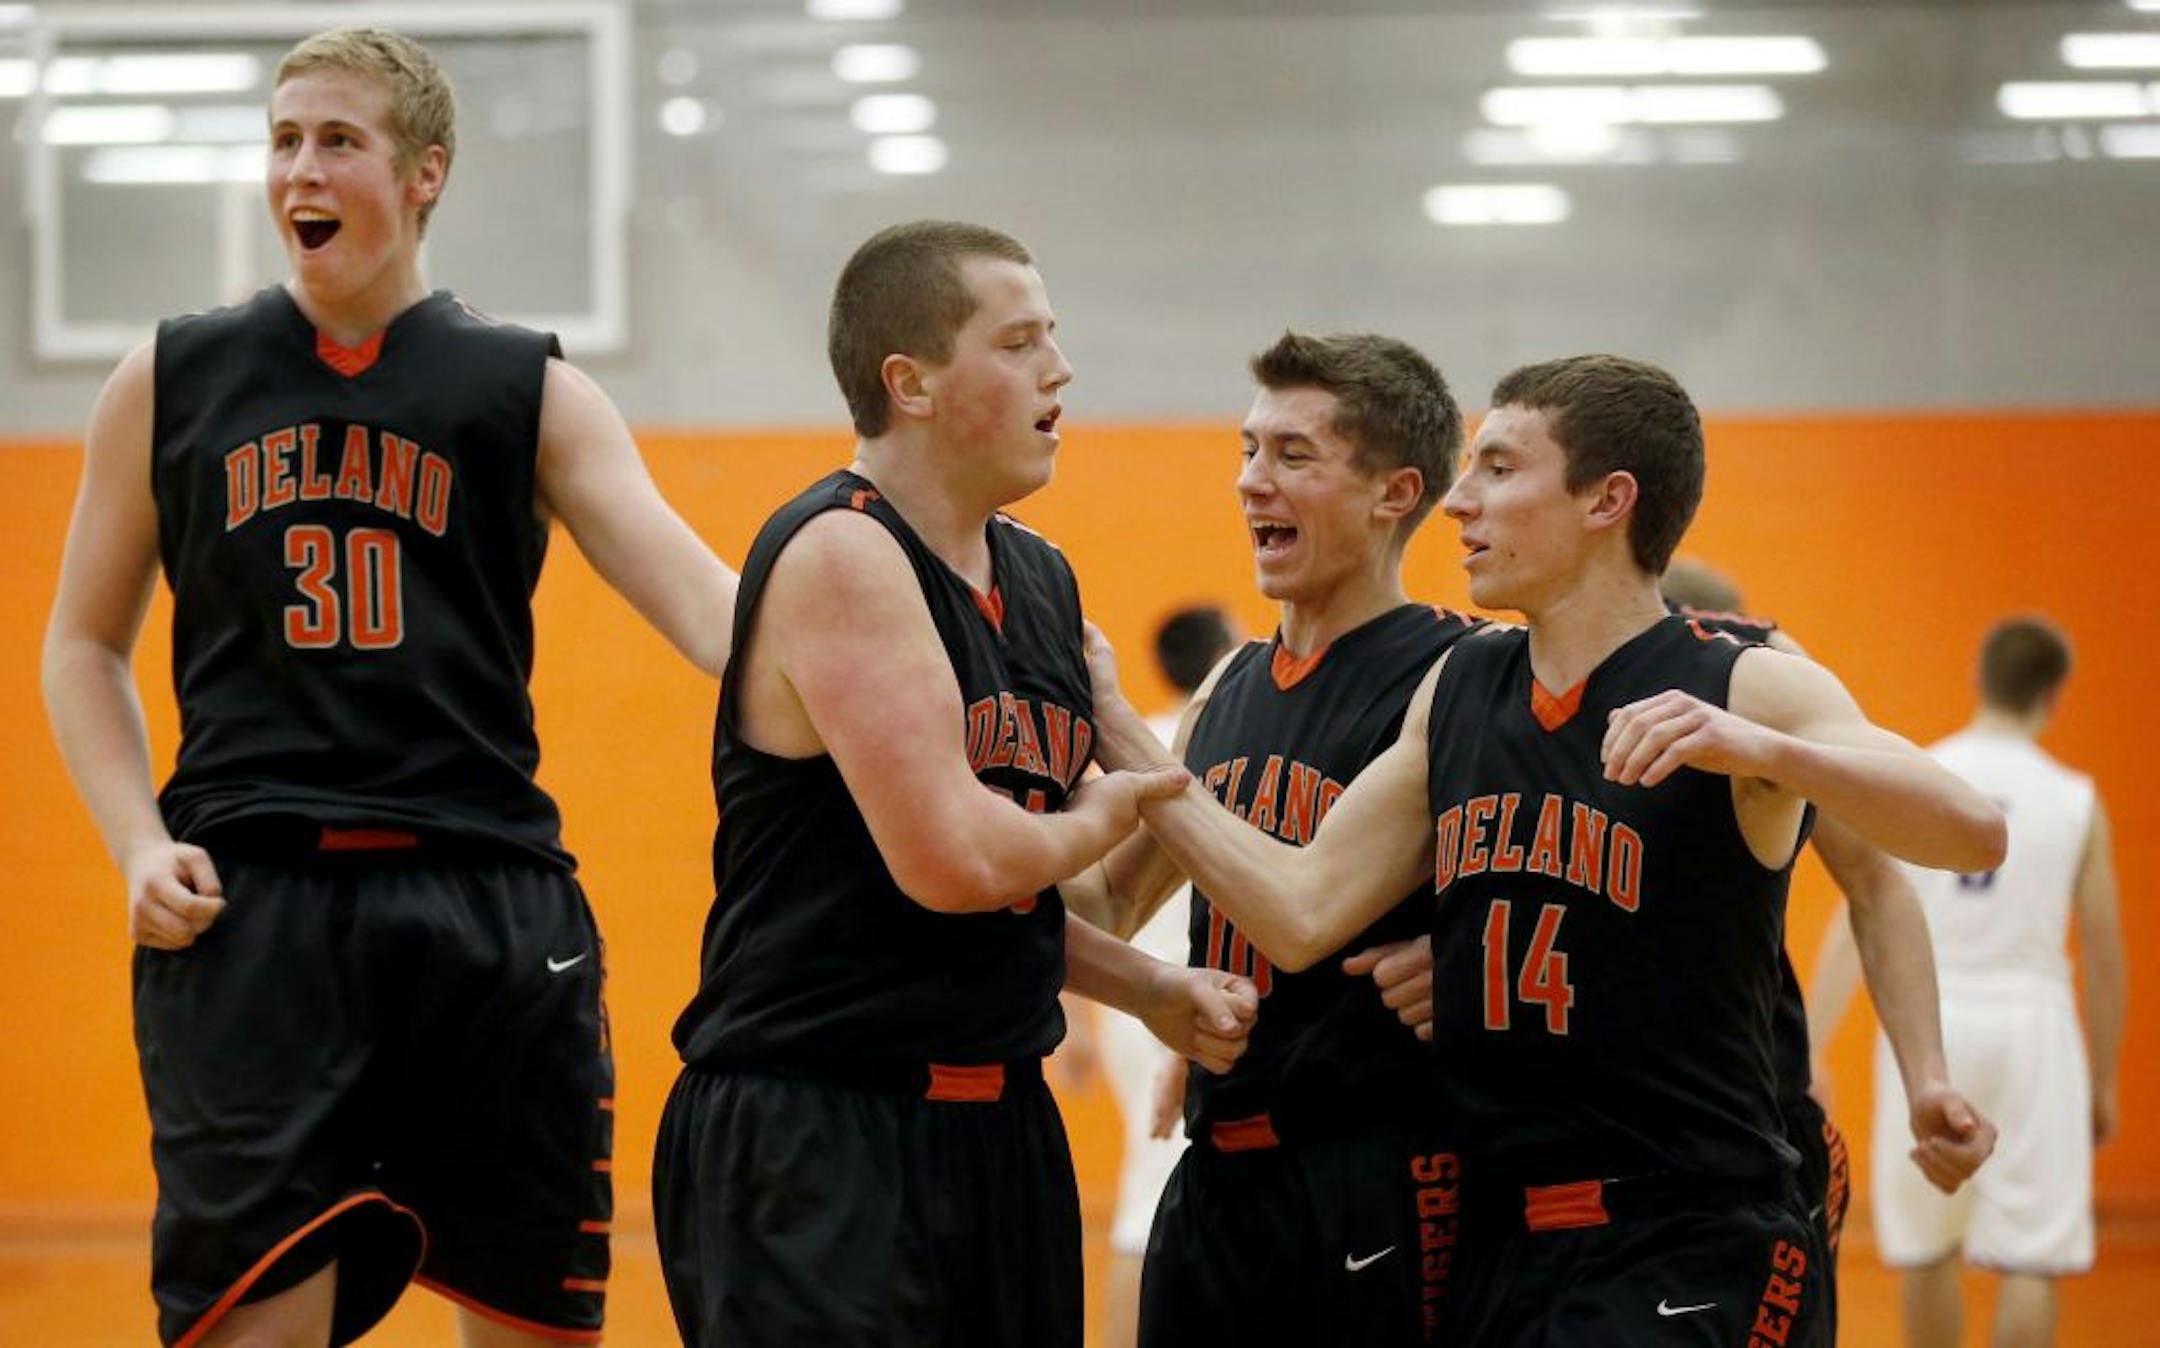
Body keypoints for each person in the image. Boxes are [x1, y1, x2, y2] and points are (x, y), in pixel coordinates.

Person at [39, 27, 741, 1347]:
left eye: (338, 140)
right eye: (285, 140)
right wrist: (136, 842)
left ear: (424, 174)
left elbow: (712, 613)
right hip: (255, 916)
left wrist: (893, 654)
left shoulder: (525, 386)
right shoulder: (169, 380)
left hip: (486, 908)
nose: (301, 168)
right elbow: (80, 645)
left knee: (528, 1324)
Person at [1082, 353, 2006, 1346]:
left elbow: (1968, 828)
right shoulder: (1466, 684)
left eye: (1497, 469)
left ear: (1607, 500)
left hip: (1687, 1222)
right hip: (1502, 1228)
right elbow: (1302, 908)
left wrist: (1767, 748)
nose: (1457, 501)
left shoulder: (1744, 681)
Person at [651, 220, 1256, 1348]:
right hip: (821, 1118)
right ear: (911, 383)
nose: (1059, 370)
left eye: (1054, 339)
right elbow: (957, 862)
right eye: (1021, 342)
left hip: (998, 1126)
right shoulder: (844, 553)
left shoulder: (1042, 579)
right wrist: (1115, 804)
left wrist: (1146, 981)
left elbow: (1038, 900)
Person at [1067, 332, 1480, 1346]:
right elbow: (1108, 903)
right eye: (1249, 450)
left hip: (1372, 1171)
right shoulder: (1229, 683)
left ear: (1394, 492)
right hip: (1220, 1161)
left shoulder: (1455, 674)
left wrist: (1114, 719)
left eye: (1294, 456)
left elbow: (1301, 919)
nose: (1251, 481)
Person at [1816, 616, 2125, 1348]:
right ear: (2053, 695)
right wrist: (2103, 1082)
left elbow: (1859, 909)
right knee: (2031, 1254)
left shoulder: (1921, 770)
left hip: (1929, 1019)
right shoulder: (2075, 798)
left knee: (1926, 1247)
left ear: (1981, 678)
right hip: (2032, 1024)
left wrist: (1812, 1043)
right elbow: (2106, 956)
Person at [1092, 603, 1240, 1348]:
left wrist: (1079, 1027)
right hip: (1176, 995)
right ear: (1219, 654)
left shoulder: (1134, 738)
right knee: (1149, 1201)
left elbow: (1070, 893)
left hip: (1124, 998)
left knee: (1154, 1195)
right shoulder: (1208, 739)